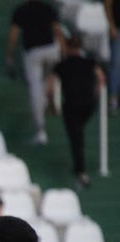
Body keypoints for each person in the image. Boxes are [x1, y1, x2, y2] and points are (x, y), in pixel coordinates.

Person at [46, 36, 107, 188]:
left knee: (76, 137)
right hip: (88, 103)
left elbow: (50, 86)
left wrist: (52, 104)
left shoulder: (62, 65)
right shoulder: (89, 62)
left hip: (72, 104)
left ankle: (81, 172)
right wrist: (95, 94)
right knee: (77, 133)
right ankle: (79, 168)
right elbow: (101, 78)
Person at [6, 0, 65, 145]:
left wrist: (9, 56)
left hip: (33, 52)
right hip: (51, 50)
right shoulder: (48, 8)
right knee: (49, 77)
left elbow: (13, 35)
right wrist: (63, 50)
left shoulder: (21, 10)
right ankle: (51, 94)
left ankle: (40, 130)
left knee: (35, 89)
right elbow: (57, 30)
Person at [108, 0, 119, 112]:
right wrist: (111, 26)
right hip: (118, 28)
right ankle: (113, 97)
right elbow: (107, 4)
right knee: (116, 64)